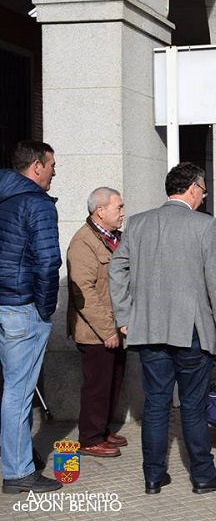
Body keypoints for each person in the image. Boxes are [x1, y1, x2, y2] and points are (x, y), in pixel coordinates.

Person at [108, 162, 216, 495]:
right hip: (192, 330)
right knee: (193, 405)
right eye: (203, 190)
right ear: (194, 188)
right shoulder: (205, 225)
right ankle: (202, 475)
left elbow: (116, 269)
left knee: (155, 404)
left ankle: (153, 477)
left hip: (149, 328)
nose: (203, 196)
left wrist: (124, 316)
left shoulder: (137, 223)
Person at [0, 141, 63, 494]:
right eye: (52, 165)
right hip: (21, 307)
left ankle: (19, 456)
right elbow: (47, 262)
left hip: (5, 304)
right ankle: (18, 472)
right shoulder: (36, 203)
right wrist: (44, 308)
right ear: (37, 166)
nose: (55, 171)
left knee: (11, 390)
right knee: (18, 393)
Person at [67, 187, 128, 458]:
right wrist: (107, 330)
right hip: (96, 332)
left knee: (113, 381)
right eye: (118, 207)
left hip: (117, 327)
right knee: (97, 385)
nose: (122, 213)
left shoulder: (116, 239)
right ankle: (90, 437)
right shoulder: (83, 243)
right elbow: (84, 292)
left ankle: (102, 430)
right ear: (100, 211)